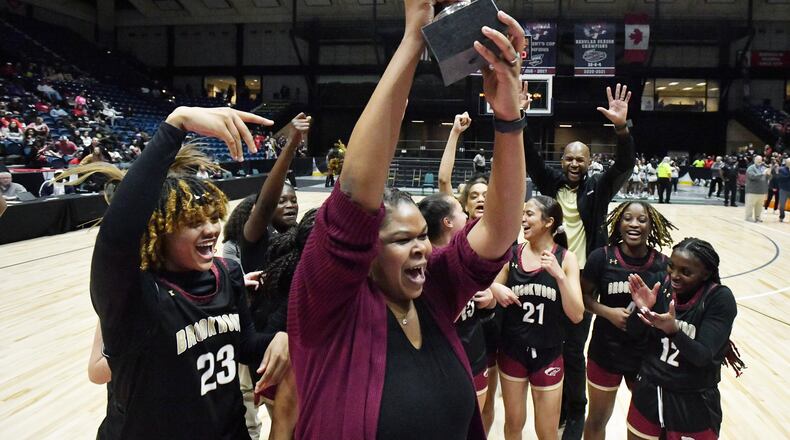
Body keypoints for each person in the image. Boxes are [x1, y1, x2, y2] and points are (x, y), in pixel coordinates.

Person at [288, 5, 528, 439]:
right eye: (403, 239)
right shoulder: (328, 309)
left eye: (422, 235)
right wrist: (415, 37)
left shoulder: (432, 291)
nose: (422, 247)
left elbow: (497, 233)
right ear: (365, 250)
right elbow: (354, 192)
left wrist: (509, 119)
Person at [68, 106, 285, 438]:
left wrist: (284, 338)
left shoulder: (226, 274)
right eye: (194, 223)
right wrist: (176, 124)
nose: (212, 229)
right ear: (161, 232)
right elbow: (116, 237)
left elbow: (247, 346)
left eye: (214, 217)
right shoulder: (137, 294)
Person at [523, 83, 635, 439]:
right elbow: (529, 158)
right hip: (549, 271)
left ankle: (575, 412)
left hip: (583, 278)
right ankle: (552, 405)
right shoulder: (551, 182)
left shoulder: (598, 188)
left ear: (589, 163)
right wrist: (521, 117)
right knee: (549, 340)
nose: (574, 164)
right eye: (569, 158)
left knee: (573, 346)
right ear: (563, 160)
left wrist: (621, 129)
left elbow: (624, 166)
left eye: (580, 159)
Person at [237, 113, 310, 440]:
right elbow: (264, 204)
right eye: (282, 200)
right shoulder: (256, 238)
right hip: (266, 349)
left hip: (297, 350)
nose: (289, 204)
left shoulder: (302, 240)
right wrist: (291, 146)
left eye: (293, 199)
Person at [625, 238, 742, 440]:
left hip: (693, 400)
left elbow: (703, 356)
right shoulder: (661, 283)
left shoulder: (719, 299)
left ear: (705, 273)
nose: (675, 275)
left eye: (686, 272)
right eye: (672, 266)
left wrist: (674, 332)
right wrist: (642, 308)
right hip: (649, 390)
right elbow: (634, 334)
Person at [581, 202, 675, 440]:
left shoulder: (663, 264)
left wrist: (652, 314)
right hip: (605, 352)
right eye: (628, 218)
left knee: (649, 423)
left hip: (646, 356)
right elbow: (582, 297)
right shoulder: (600, 258)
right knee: (597, 419)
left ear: (651, 225)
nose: (634, 224)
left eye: (642, 220)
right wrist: (607, 312)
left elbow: (670, 312)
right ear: (618, 223)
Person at [492, 196, 584, 440]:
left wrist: (560, 277)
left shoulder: (566, 259)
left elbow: (577, 315)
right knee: (513, 425)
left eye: (529, 214)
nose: (523, 218)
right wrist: (494, 288)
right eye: (523, 213)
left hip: (548, 353)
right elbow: (489, 289)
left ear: (548, 222)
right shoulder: (511, 255)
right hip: (512, 351)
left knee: (546, 432)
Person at [418, 193, 496, 410]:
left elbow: (482, 308)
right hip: (439, 360)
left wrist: (490, 297)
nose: (466, 215)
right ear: (448, 221)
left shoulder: (467, 261)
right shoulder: (425, 267)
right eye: (462, 211)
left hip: (474, 352)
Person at [744, 155, 770, 222]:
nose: (759, 161)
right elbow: (753, 177)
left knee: (759, 206)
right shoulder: (751, 168)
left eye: (760, 160)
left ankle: (757, 217)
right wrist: (763, 174)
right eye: (758, 159)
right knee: (750, 205)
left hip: (761, 191)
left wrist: (769, 174)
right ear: (754, 160)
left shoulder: (763, 168)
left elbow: (767, 178)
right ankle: (748, 217)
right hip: (752, 191)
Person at [777, 158, 790, 223]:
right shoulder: (781, 169)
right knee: (782, 205)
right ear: (786, 163)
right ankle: (781, 216)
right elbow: (782, 178)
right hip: (783, 190)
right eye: (789, 162)